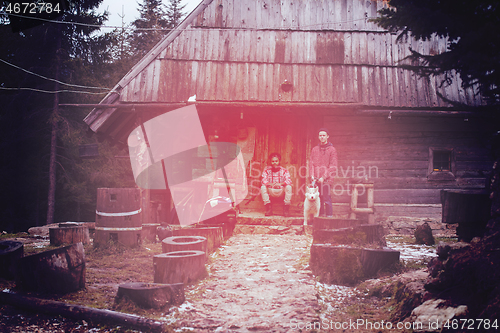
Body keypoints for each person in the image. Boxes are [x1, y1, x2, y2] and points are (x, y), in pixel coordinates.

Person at [310, 128, 338, 217]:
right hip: (316, 179)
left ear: (327, 136)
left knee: (326, 198)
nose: (322, 137)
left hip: (326, 179)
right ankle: (320, 217)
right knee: (318, 199)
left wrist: (324, 177)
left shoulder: (332, 150)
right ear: (318, 137)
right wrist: (312, 176)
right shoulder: (314, 149)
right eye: (320, 135)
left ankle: (329, 218)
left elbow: (333, 166)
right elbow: (311, 163)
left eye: (324, 135)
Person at [261, 153, 293, 217]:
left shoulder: (284, 171)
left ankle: (286, 209)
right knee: (263, 187)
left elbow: (289, 180)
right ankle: (268, 208)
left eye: (276, 161)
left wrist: (280, 184)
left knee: (289, 186)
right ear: (270, 162)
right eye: (273, 161)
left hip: (280, 191)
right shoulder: (266, 171)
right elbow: (263, 180)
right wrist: (271, 184)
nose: (274, 163)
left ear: (279, 161)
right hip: (271, 191)